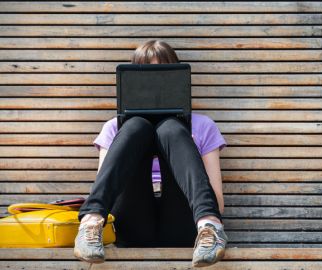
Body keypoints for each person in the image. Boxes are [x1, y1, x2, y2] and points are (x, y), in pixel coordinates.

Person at [74, 40, 228, 268]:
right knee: (136, 125)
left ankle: (210, 227)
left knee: (171, 128)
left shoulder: (203, 125)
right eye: (147, 80)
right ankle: (91, 222)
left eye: (163, 78)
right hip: (132, 222)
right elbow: (107, 185)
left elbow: (219, 202)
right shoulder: (115, 128)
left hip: (185, 225)